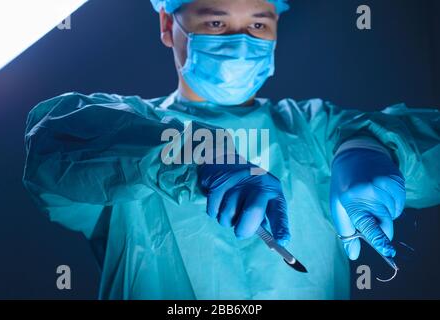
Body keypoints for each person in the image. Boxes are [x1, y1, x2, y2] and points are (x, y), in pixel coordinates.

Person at [22, 0, 440, 299]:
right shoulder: (133, 128)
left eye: (258, 25)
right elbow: (52, 146)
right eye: (216, 24)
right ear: (168, 25)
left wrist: (368, 148)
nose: (241, 42)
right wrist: (191, 155)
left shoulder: (315, 130)